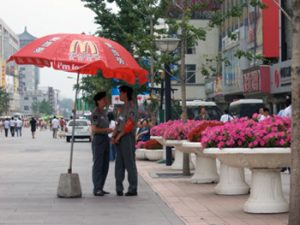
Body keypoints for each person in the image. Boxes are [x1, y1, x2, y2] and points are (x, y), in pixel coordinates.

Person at [112, 85, 138, 197]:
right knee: (119, 164)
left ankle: (133, 188)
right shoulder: (122, 108)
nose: (119, 95)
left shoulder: (132, 107)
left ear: (126, 94)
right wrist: (114, 135)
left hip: (127, 138)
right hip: (119, 138)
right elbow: (118, 123)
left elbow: (129, 125)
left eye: (121, 93)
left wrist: (119, 136)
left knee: (129, 163)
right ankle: (119, 188)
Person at [91, 92, 113, 196]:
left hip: (105, 139)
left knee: (105, 165)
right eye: (104, 99)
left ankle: (101, 187)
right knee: (98, 164)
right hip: (98, 140)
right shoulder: (95, 113)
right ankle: (97, 188)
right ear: (98, 101)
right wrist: (106, 130)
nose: (106, 101)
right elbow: (94, 129)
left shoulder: (104, 112)